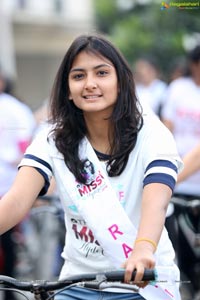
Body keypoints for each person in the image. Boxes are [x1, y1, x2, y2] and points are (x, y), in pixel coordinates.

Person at [0, 34, 183, 300]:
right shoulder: (53, 138)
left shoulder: (152, 134)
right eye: (78, 76)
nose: (90, 84)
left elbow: (156, 200)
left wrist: (143, 249)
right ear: (68, 90)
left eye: (101, 73)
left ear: (121, 82)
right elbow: (16, 199)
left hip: (141, 284)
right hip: (76, 284)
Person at [0, 71, 36, 300]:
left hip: (10, 185)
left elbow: (26, 145)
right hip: (11, 183)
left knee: (8, 241)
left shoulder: (14, 108)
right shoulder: (17, 108)